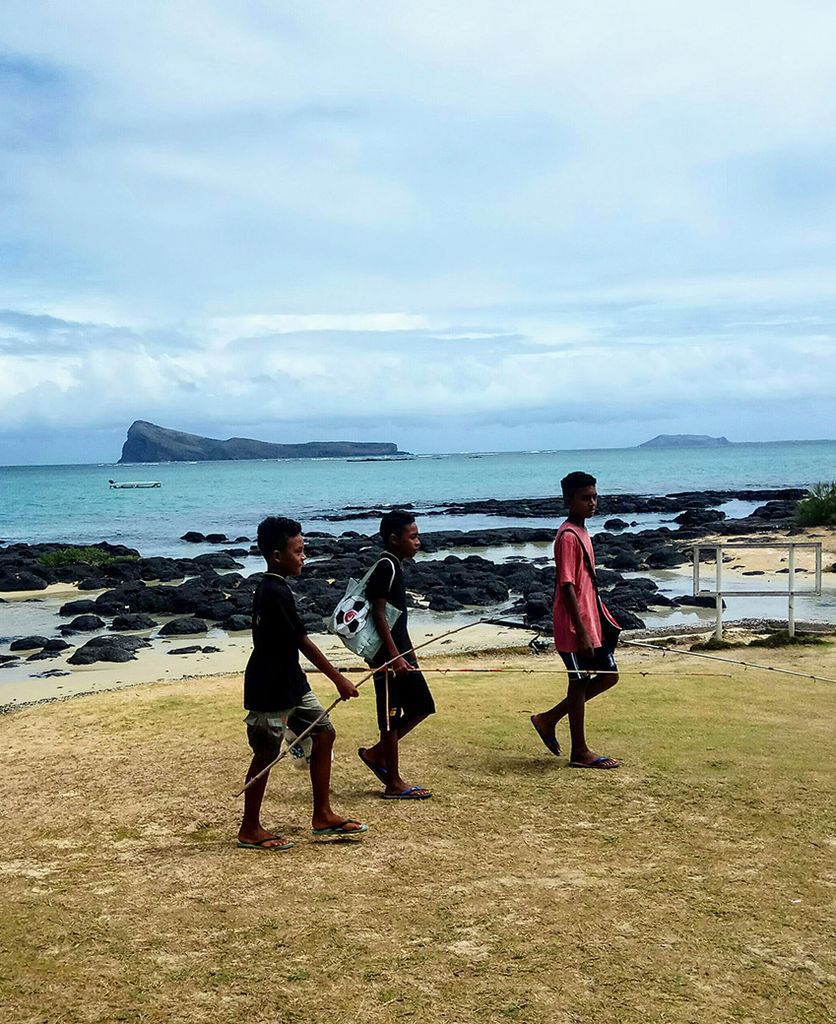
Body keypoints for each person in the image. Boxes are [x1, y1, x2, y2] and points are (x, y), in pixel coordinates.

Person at [237, 515, 368, 850]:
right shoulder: (272, 591)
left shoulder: (278, 588)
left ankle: (322, 814)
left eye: (304, 550)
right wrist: (339, 680)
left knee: (324, 732)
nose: (304, 557)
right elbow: (302, 641)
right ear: (277, 555)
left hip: (292, 682)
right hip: (269, 688)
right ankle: (250, 828)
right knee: (266, 753)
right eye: (298, 551)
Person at [530, 472, 620, 769]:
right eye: (585, 498)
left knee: (608, 676)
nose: (592, 503)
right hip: (573, 623)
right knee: (579, 680)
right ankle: (579, 751)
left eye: (594, 496)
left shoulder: (581, 531)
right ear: (568, 500)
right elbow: (567, 585)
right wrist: (580, 631)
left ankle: (549, 718)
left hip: (589, 618)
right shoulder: (568, 536)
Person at [357, 510, 436, 799]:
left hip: (401, 652)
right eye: (412, 536)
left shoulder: (396, 566)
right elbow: (379, 614)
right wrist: (393, 656)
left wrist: (409, 652)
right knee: (390, 715)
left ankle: (377, 754)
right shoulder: (385, 567)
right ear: (394, 539)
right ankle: (393, 783)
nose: (418, 541)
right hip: (387, 658)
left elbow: (396, 619)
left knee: (422, 705)